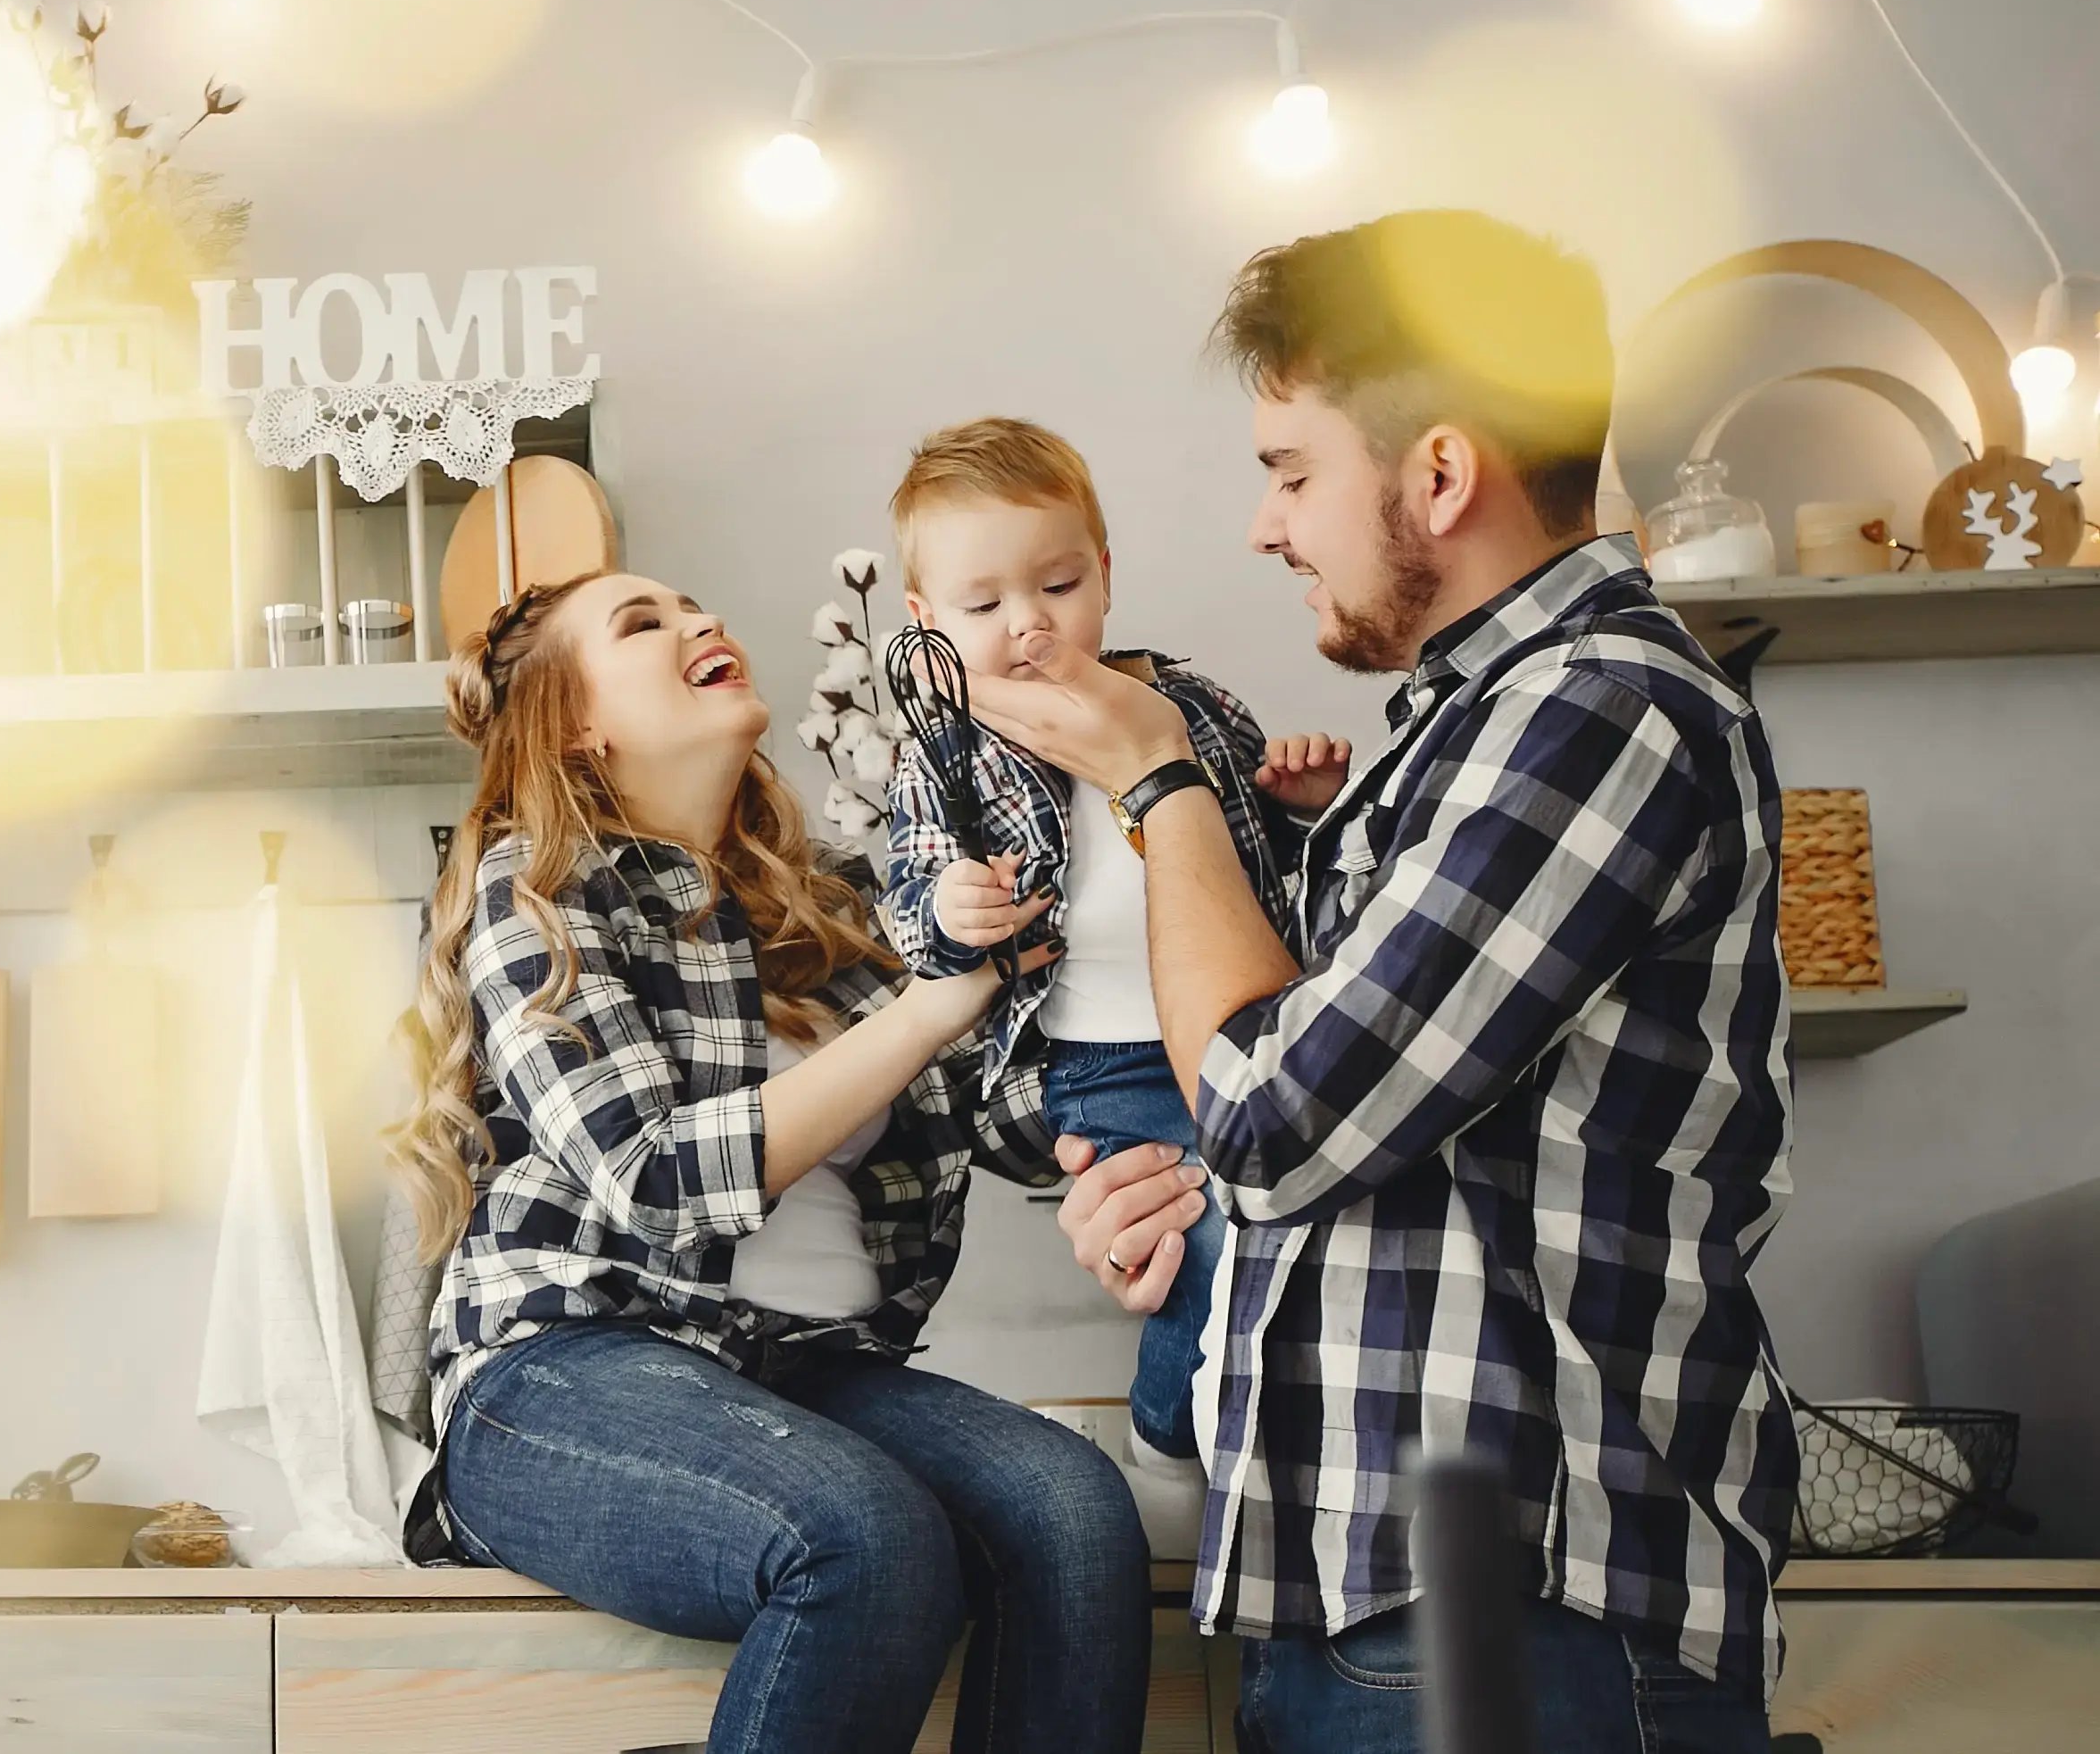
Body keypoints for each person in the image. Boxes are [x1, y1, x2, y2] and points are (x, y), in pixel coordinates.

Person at [975, 210, 1797, 1754]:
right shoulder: (1469, 727)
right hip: (1379, 1605)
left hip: (1513, 1616)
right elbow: (1361, 1145)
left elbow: (1281, 1111)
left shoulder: (1602, 709)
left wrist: (1162, 783)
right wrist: (1191, 1210)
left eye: (1290, 471)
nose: (1265, 528)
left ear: (1438, 471)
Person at [390, 569, 1150, 1754]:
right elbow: (653, 1179)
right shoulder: (533, 893)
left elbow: (1011, 1123)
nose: (703, 621)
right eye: (644, 623)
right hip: (564, 1373)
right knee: (864, 1533)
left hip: (800, 1376)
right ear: (578, 726)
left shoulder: (832, 920)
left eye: (700, 604)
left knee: (1075, 1513)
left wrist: (1092, 883)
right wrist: (935, 1006)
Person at [871, 416, 1349, 1467]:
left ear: (1105, 574)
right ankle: (1170, 1429)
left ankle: (1267, 1447)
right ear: (924, 619)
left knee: (1292, 1238)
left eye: (1057, 586)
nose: (1029, 625)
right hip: (1101, 1063)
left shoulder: (1184, 706)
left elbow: (1270, 864)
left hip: (1243, 1032)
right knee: (1204, 1241)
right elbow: (902, 897)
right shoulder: (945, 755)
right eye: (984, 605)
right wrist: (952, 914)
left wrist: (1307, 806)